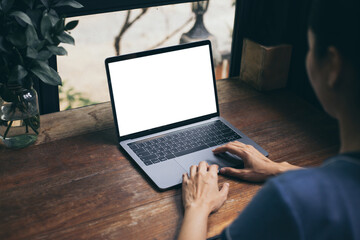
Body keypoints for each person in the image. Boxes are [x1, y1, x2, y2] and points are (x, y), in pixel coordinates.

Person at [178, 0, 360, 239]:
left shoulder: (291, 200)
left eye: (310, 47)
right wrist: (280, 169)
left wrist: (198, 206)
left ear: (333, 66)